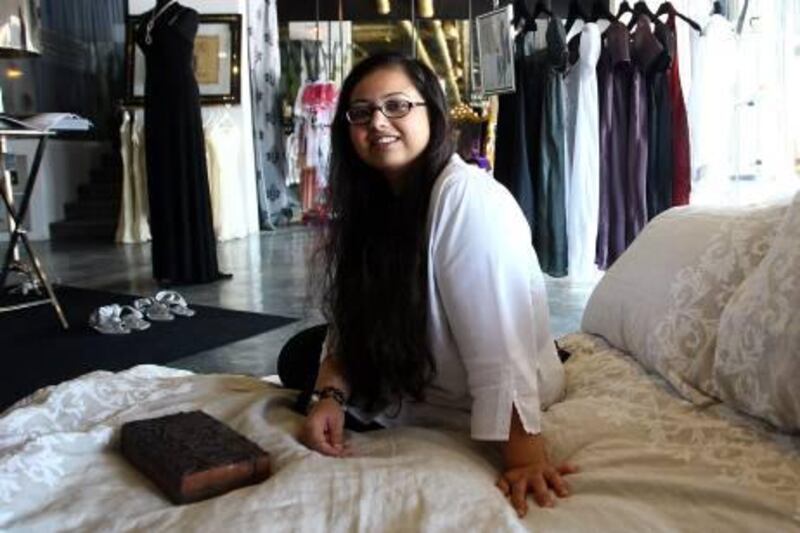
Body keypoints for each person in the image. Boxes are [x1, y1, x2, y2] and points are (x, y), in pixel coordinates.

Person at [277, 52, 576, 518]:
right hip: (421, 359)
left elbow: (499, 340)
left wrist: (525, 457)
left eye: (397, 106)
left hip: (469, 379)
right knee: (301, 355)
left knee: (302, 360)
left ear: (433, 115)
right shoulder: (374, 200)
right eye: (362, 112)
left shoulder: (465, 198)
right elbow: (351, 317)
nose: (378, 122)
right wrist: (329, 395)